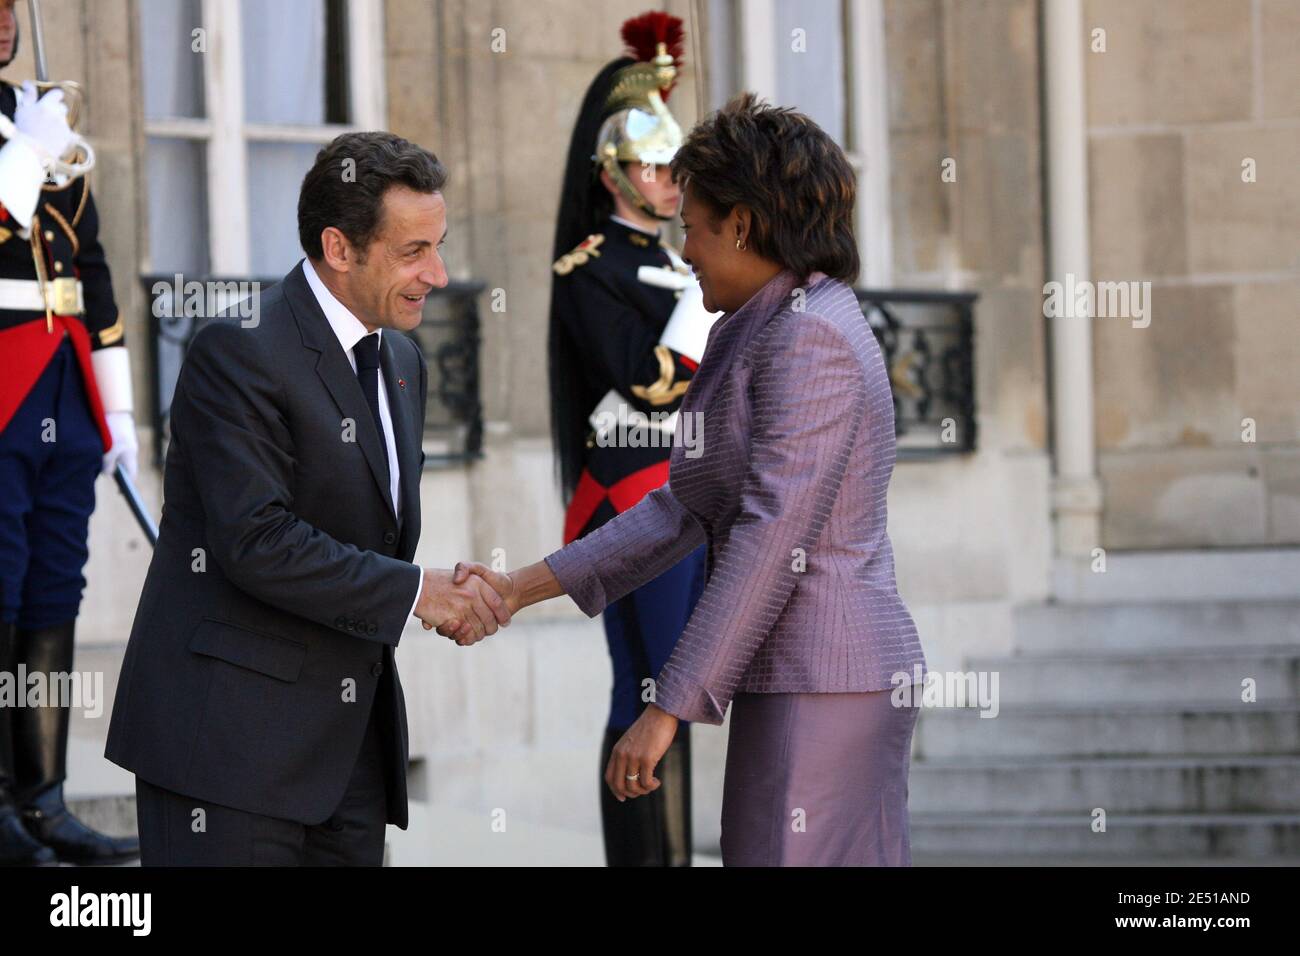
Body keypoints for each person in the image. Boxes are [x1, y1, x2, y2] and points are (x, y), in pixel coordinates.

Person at [449, 94, 929, 866]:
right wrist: (514, 589)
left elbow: (770, 541)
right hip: (807, 680)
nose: (686, 250)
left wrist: (666, 706)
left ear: (741, 224)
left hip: (825, 678)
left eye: (695, 227)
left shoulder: (808, 337)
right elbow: (680, 509)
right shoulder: (774, 322)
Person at [103, 132, 515, 866]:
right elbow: (257, 541)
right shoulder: (238, 348)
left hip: (348, 761)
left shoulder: (405, 362)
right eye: (413, 250)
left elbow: (364, 538)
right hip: (227, 755)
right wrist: (420, 593)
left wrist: (431, 592)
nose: (439, 273)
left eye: (438, 245)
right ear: (340, 247)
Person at [548, 10, 718, 867]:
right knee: (657, 687)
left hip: (688, 494)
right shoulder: (590, 269)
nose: (667, 182)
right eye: (654, 166)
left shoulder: (677, 261)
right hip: (636, 496)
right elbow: (651, 381)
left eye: (673, 167)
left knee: (663, 689)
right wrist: (696, 298)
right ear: (614, 172)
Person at [0, 0, 140, 866]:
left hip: (64, 377)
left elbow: (89, 263)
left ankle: (42, 799)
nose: (4, 21)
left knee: (54, 584)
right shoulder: (31, 137)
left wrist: (117, 405)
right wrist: (23, 158)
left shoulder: (37, 115)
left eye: (11, 5)